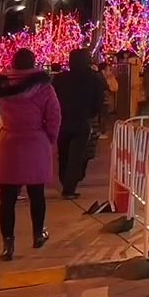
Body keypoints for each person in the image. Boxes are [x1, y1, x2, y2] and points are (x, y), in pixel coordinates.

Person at [0, 49, 60, 261]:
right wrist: (50, 140)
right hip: (35, 143)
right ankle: (38, 234)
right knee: (36, 194)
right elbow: (54, 116)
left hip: (9, 143)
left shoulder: (3, 86)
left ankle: (7, 246)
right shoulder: (44, 88)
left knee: (8, 198)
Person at [51, 49, 106, 200]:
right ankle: (70, 187)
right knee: (77, 154)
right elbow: (98, 102)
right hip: (82, 120)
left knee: (63, 153)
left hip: (62, 121)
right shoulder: (94, 79)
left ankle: (65, 180)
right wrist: (93, 114)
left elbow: (53, 99)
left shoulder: (60, 79)